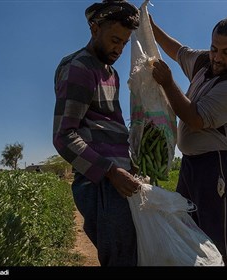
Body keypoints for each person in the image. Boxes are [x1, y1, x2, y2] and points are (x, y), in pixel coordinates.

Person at [149, 15, 227, 266]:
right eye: (214, 48)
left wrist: (167, 82)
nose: (217, 57)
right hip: (191, 164)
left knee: (219, 236)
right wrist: (150, 26)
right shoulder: (205, 63)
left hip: (217, 165)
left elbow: (195, 118)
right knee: (188, 230)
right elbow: (178, 51)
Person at [53, 0, 140, 266]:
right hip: (101, 184)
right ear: (94, 29)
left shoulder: (110, 72)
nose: (119, 49)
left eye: (124, 43)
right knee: (121, 259)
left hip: (117, 179)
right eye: (115, 40)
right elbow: (64, 136)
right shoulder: (80, 68)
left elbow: (109, 126)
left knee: (130, 254)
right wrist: (111, 172)